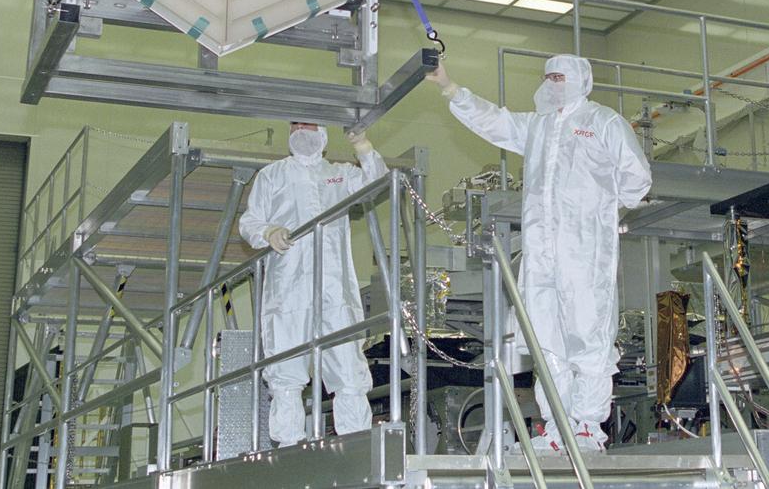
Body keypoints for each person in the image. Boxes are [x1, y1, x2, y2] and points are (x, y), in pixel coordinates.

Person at [428, 54, 652, 452]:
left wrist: (598, 211)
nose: (552, 84)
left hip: (585, 251)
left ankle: (586, 425)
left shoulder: (602, 122)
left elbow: (636, 178)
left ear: (581, 80)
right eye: (548, 77)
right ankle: (557, 426)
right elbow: (493, 121)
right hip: (541, 252)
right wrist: (450, 87)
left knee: (587, 334)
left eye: (560, 77)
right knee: (545, 339)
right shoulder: (536, 127)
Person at [238, 122, 386, 445]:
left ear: (323, 131)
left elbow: (375, 185)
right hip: (288, 291)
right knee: (286, 373)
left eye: (310, 123)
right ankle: (288, 449)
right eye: (297, 124)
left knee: (348, 368)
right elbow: (249, 222)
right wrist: (268, 232)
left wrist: (363, 146)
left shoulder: (339, 173)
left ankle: (355, 445)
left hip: (335, 290)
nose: (303, 129)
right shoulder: (272, 176)